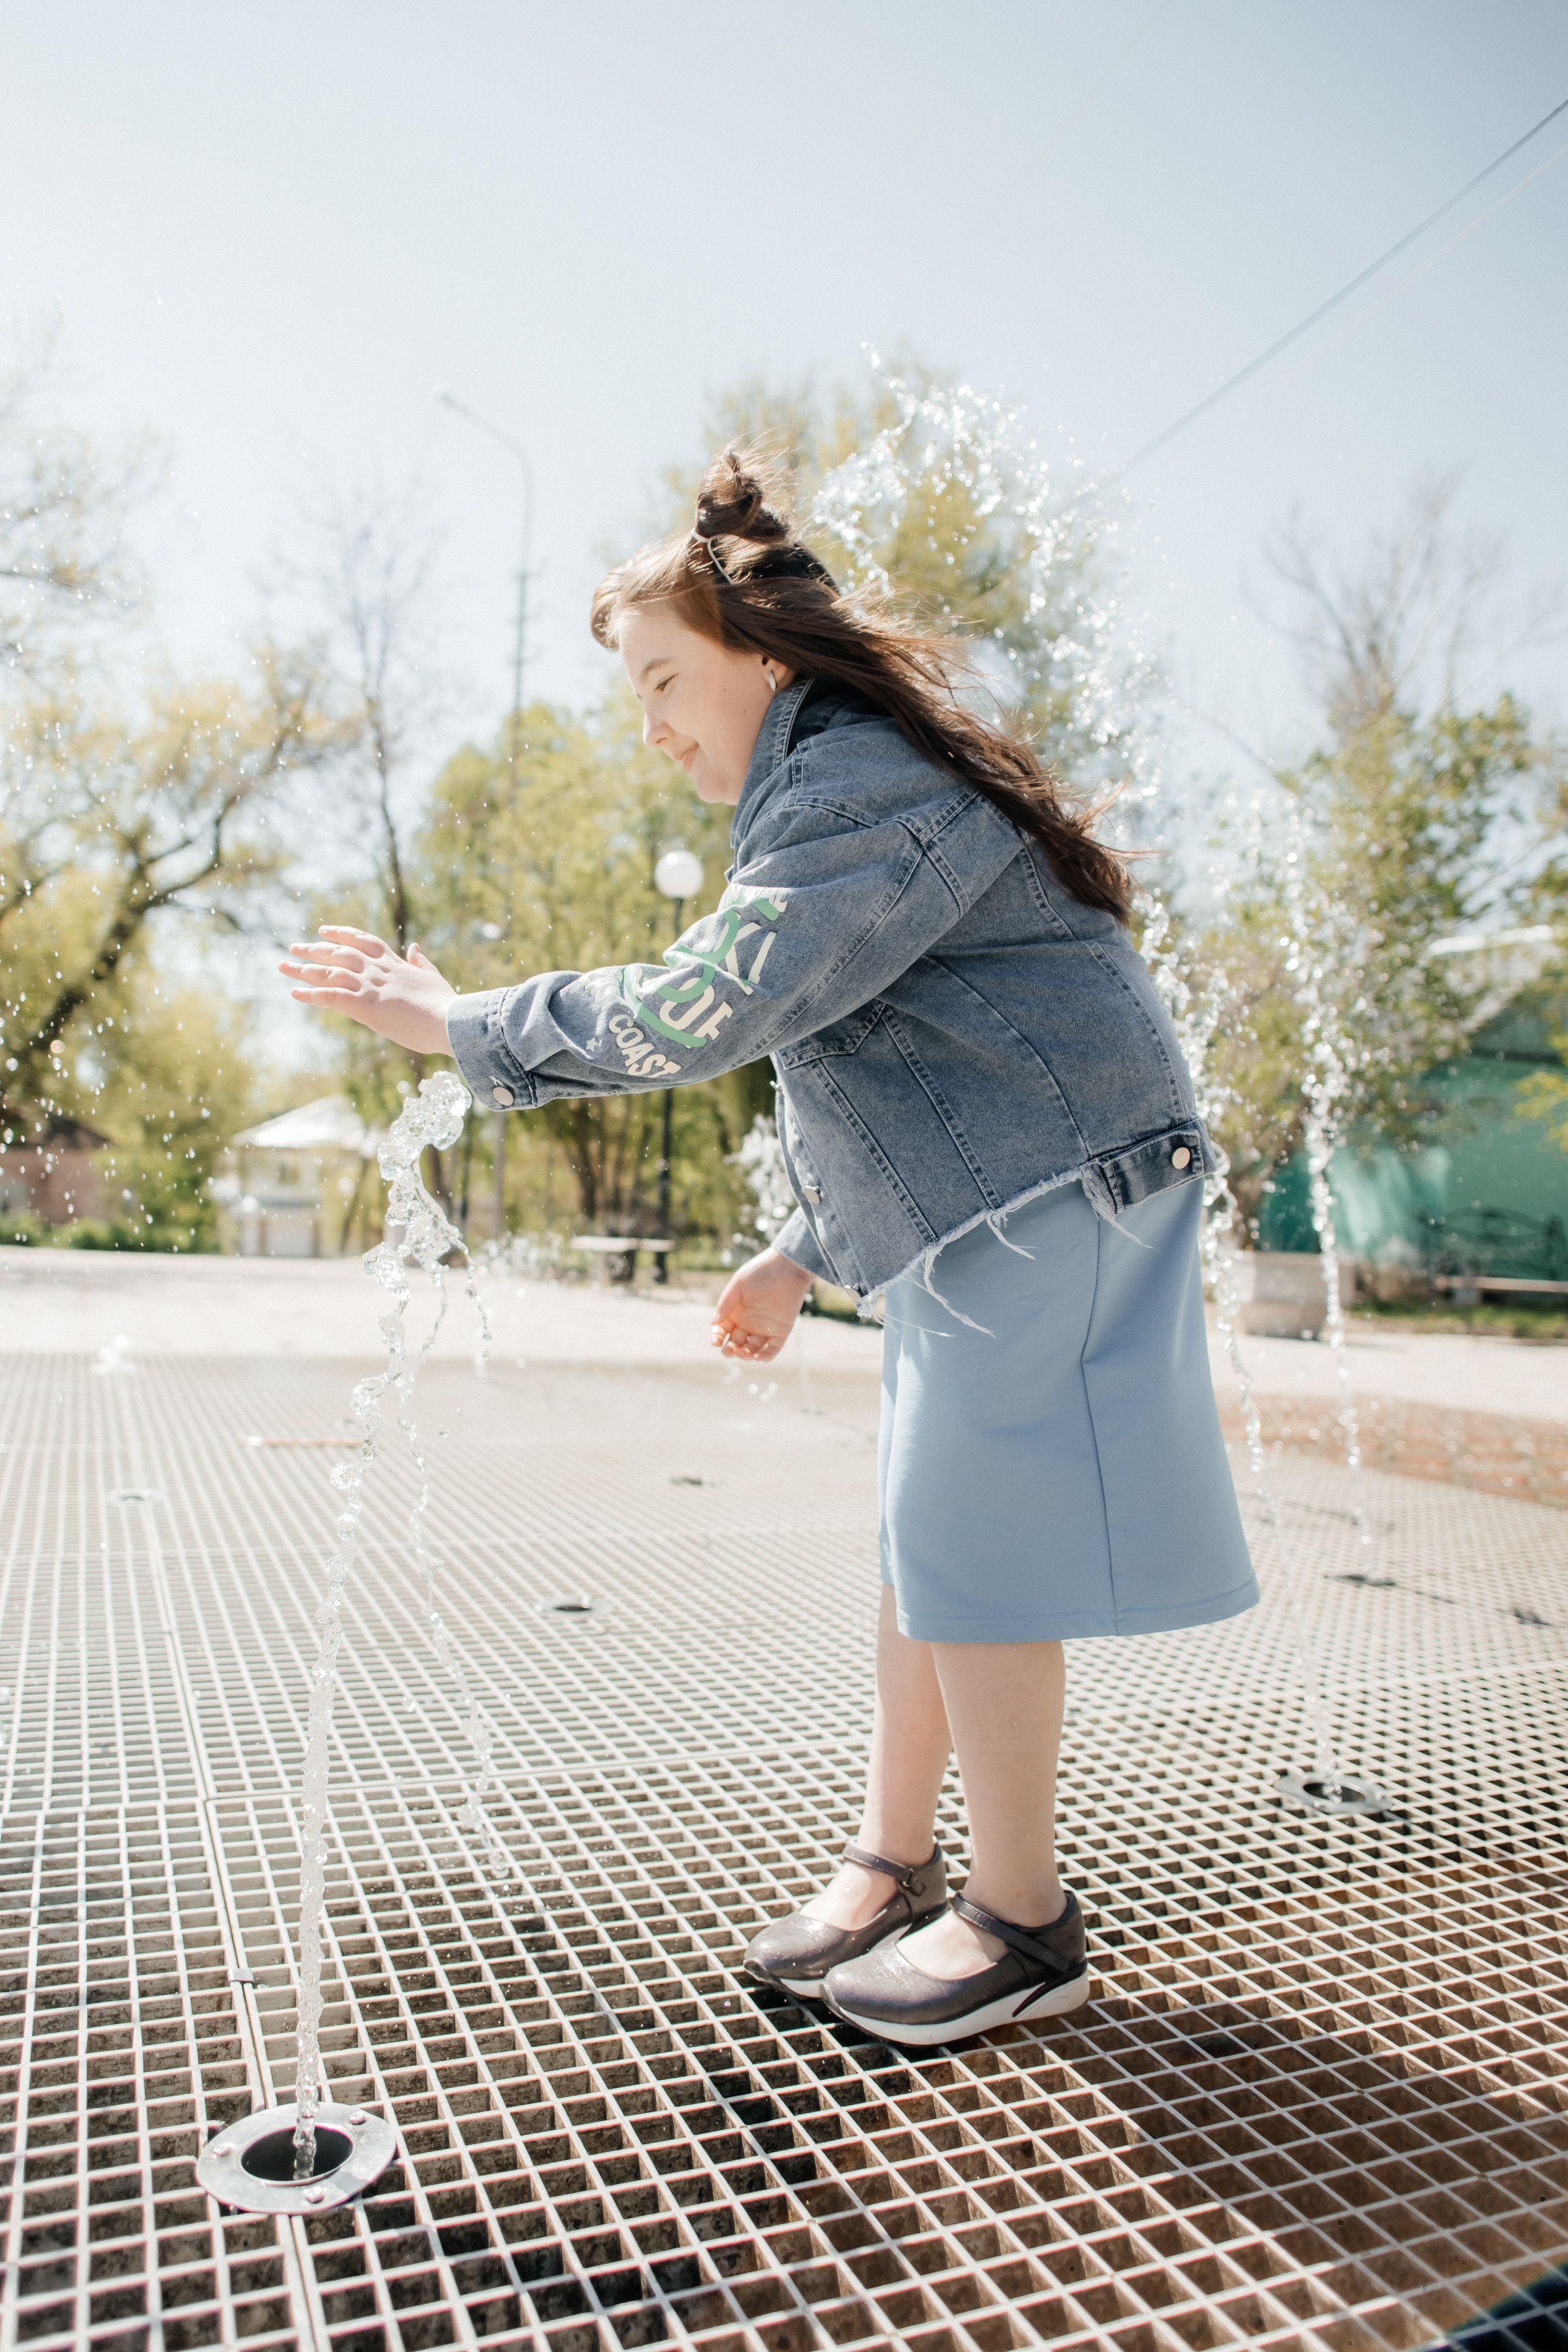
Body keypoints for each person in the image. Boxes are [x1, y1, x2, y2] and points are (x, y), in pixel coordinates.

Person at [280, 450, 1258, 2048]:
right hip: (995, 1204)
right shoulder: (825, 797)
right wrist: (804, 1248)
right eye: (636, 698)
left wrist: (456, 1024)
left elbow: (712, 1001)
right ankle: (896, 1862)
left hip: (1055, 1194)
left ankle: (1023, 1920)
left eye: (668, 678)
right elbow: (914, 1064)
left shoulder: (854, 783)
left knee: (978, 1552)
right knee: (926, 1552)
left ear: (769, 657)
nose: (655, 726)